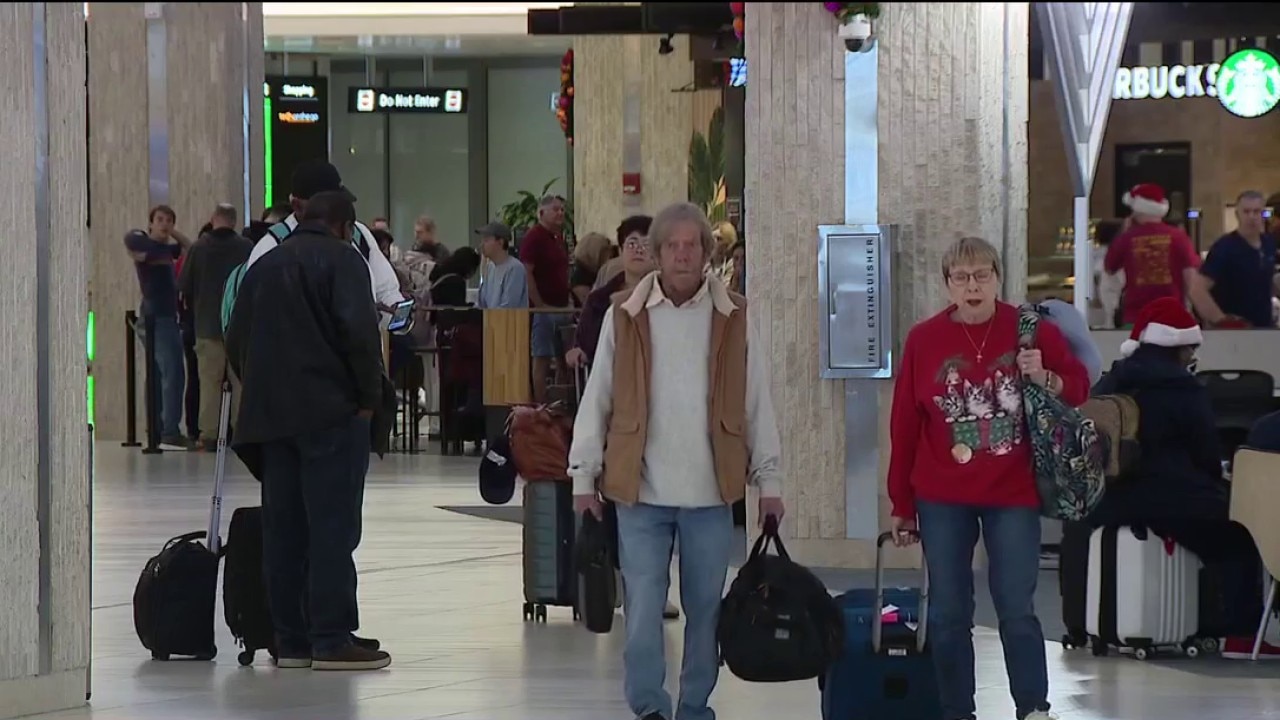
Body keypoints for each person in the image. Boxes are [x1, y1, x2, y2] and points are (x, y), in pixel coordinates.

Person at [568, 202, 784, 720]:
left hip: (710, 494)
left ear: (707, 253)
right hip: (639, 493)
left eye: (693, 245)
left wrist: (769, 480)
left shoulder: (735, 315)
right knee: (642, 611)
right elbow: (597, 395)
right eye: (673, 245)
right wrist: (583, 474)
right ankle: (648, 707)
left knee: (705, 610)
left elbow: (757, 401)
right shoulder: (624, 314)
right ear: (658, 254)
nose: (683, 254)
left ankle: (693, 706)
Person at [888, 236, 1088, 720]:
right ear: (947, 285)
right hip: (942, 494)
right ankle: (957, 709)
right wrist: (901, 503)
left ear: (998, 278)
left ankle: (1033, 706)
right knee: (949, 610)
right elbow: (905, 425)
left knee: (1016, 605)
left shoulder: (1030, 329)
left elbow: (1079, 386)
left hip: (1012, 491)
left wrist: (1044, 377)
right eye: (961, 277)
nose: (972, 286)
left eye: (981, 275)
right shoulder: (924, 339)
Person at [225, 191, 391, 672]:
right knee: (332, 526)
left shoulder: (265, 266)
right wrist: (366, 401)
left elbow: (237, 338)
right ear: (344, 226)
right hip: (330, 415)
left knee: (285, 527)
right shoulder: (343, 261)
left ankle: (291, 639)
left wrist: (261, 386)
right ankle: (331, 637)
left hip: (272, 420)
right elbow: (360, 336)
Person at [1090, 297, 1274, 658]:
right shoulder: (1185, 390)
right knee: (1240, 537)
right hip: (1173, 503)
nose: (1193, 355)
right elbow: (1205, 456)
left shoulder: (1111, 380)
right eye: (1191, 347)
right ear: (1179, 346)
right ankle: (1240, 634)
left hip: (1108, 502)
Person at [245, 160, 405, 315]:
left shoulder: (357, 234)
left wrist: (396, 312)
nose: (338, 210)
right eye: (327, 204)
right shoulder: (270, 248)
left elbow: (386, 290)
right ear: (297, 205)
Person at [177, 203, 253, 451]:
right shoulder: (246, 247)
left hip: (207, 325)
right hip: (239, 327)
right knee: (240, 383)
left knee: (209, 384)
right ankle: (241, 432)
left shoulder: (199, 248)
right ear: (234, 221)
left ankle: (209, 435)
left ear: (213, 219)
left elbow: (184, 285)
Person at [125, 205, 193, 451]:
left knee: (159, 373)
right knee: (172, 371)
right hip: (157, 316)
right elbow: (133, 242)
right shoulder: (143, 244)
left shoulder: (165, 250)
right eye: (160, 220)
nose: (165, 224)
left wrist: (173, 232)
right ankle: (169, 430)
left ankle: (158, 428)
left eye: (169, 220)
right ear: (150, 222)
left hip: (165, 314)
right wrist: (160, 238)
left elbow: (189, 248)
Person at [1104, 183, 1200, 325]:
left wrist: (1123, 231)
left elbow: (1109, 267)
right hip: (1172, 315)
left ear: (1137, 209)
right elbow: (1191, 279)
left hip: (1136, 317)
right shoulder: (1179, 237)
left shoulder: (1126, 238)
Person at [1191, 190, 1277, 328]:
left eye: (1256, 212)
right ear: (1238, 214)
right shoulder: (1225, 248)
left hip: (1263, 327)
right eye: (1246, 212)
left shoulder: (1268, 244)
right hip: (1234, 330)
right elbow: (1197, 290)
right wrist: (1221, 320)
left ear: (1263, 215)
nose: (1251, 217)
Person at [520, 195, 573, 404]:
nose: (560, 213)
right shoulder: (534, 237)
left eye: (562, 209)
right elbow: (527, 272)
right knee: (541, 358)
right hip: (544, 309)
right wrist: (539, 304)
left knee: (564, 360)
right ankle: (540, 406)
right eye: (555, 210)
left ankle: (560, 403)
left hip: (562, 307)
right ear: (541, 213)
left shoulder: (558, 238)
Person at [475, 222, 528, 309]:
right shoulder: (489, 267)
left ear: (500, 242)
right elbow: (482, 302)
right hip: (491, 321)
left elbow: (509, 305)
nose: (482, 245)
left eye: (486, 240)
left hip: (509, 321)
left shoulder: (515, 268)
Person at [570, 232, 615, 306]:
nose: (610, 254)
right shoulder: (580, 277)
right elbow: (589, 303)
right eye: (605, 251)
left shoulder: (600, 271)